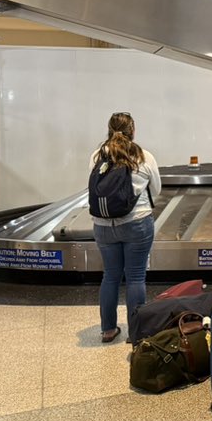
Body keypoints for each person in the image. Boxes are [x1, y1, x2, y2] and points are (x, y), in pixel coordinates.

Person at [90, 112, 161, 344]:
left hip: (103, 225)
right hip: (137, 222)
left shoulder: (97, 156)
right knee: (136, 277)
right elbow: (156, 190)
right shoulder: (143, 156)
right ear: (133, 131)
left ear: (109, 130)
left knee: (110, 276)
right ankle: (137, 332)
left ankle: (108, 330)